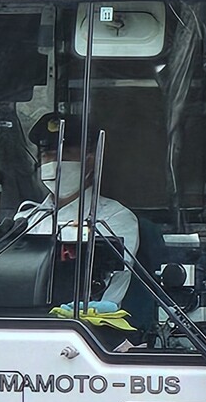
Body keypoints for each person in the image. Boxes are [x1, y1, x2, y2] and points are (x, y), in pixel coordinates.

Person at [17, 111, 140, 305]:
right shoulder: (26, 219)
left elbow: (100, 280)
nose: (54, 163)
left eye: (63, 154)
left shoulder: (115, 218)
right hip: (27, 324)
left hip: (84, 328)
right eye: (46, 154)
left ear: (89, 160)